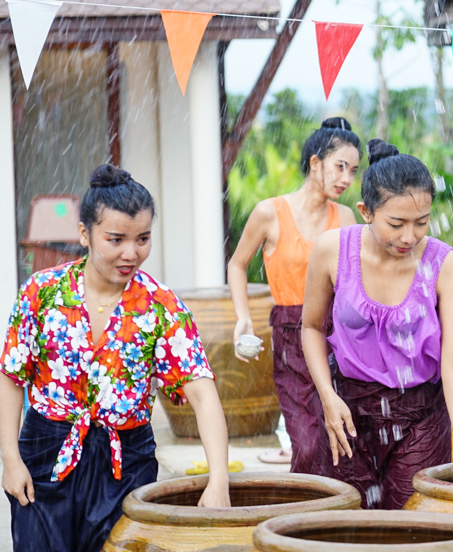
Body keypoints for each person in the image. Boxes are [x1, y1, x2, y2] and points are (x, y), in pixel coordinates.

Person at [0, 165, 231, 552]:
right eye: (116, 239)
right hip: (45, 455)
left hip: (126, 464)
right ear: (84, 234)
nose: (131, 253)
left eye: (143, 238)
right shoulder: (41, 293)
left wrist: (218, 479)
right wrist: (10, 457)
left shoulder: (161, 306)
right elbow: (11, 375)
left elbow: (203, 394)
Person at [302, 139, 453, 510]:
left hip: (420, 416)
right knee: (346, 524)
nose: (409, 237)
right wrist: (327, 395)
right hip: (347, 410)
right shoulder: (332, 250)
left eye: (421, 223)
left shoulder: (446, 267)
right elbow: (310, 328)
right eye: (396, 223)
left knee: (411, 525)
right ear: (365, 212)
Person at [228, 117, 360, 473]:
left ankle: (337, 518)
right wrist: (244, 317)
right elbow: (237, 264)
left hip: (337, 337)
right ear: (315, 163)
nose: (346, 179)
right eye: (340, 167)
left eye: (353, 170)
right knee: (305, 442)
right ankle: (301, 519)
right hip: (290, 334)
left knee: (342, 438)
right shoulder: (270, 213)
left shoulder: (346, 218)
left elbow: (359, 280)